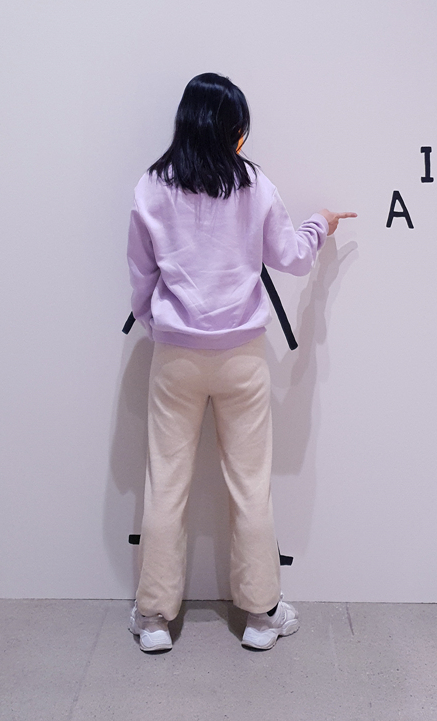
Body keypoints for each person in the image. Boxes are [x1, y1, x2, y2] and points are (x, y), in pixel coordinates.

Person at [126, 73, 356, 652]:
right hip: (242, 358)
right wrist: (320, 225)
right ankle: (259, 616)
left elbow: (140, 278)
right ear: (234, 130)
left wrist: (160, 327)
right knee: (251, 486)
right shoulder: (254, 185)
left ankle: (154, 620)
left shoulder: (152, 186)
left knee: (165, 483)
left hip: (176, 357)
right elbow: (293, 258)